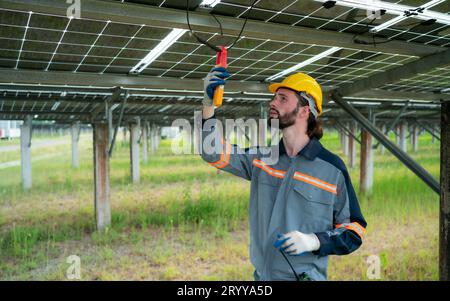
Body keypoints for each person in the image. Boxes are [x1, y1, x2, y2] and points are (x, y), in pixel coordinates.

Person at [200, 67, 367, 281]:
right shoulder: (262, 159)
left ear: (304, 110)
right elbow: (211, 152)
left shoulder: (332, 169)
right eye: (274, 98)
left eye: (282, 98)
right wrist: (208, 105)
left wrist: (314, 241)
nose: (272, 103)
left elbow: (354, 229)